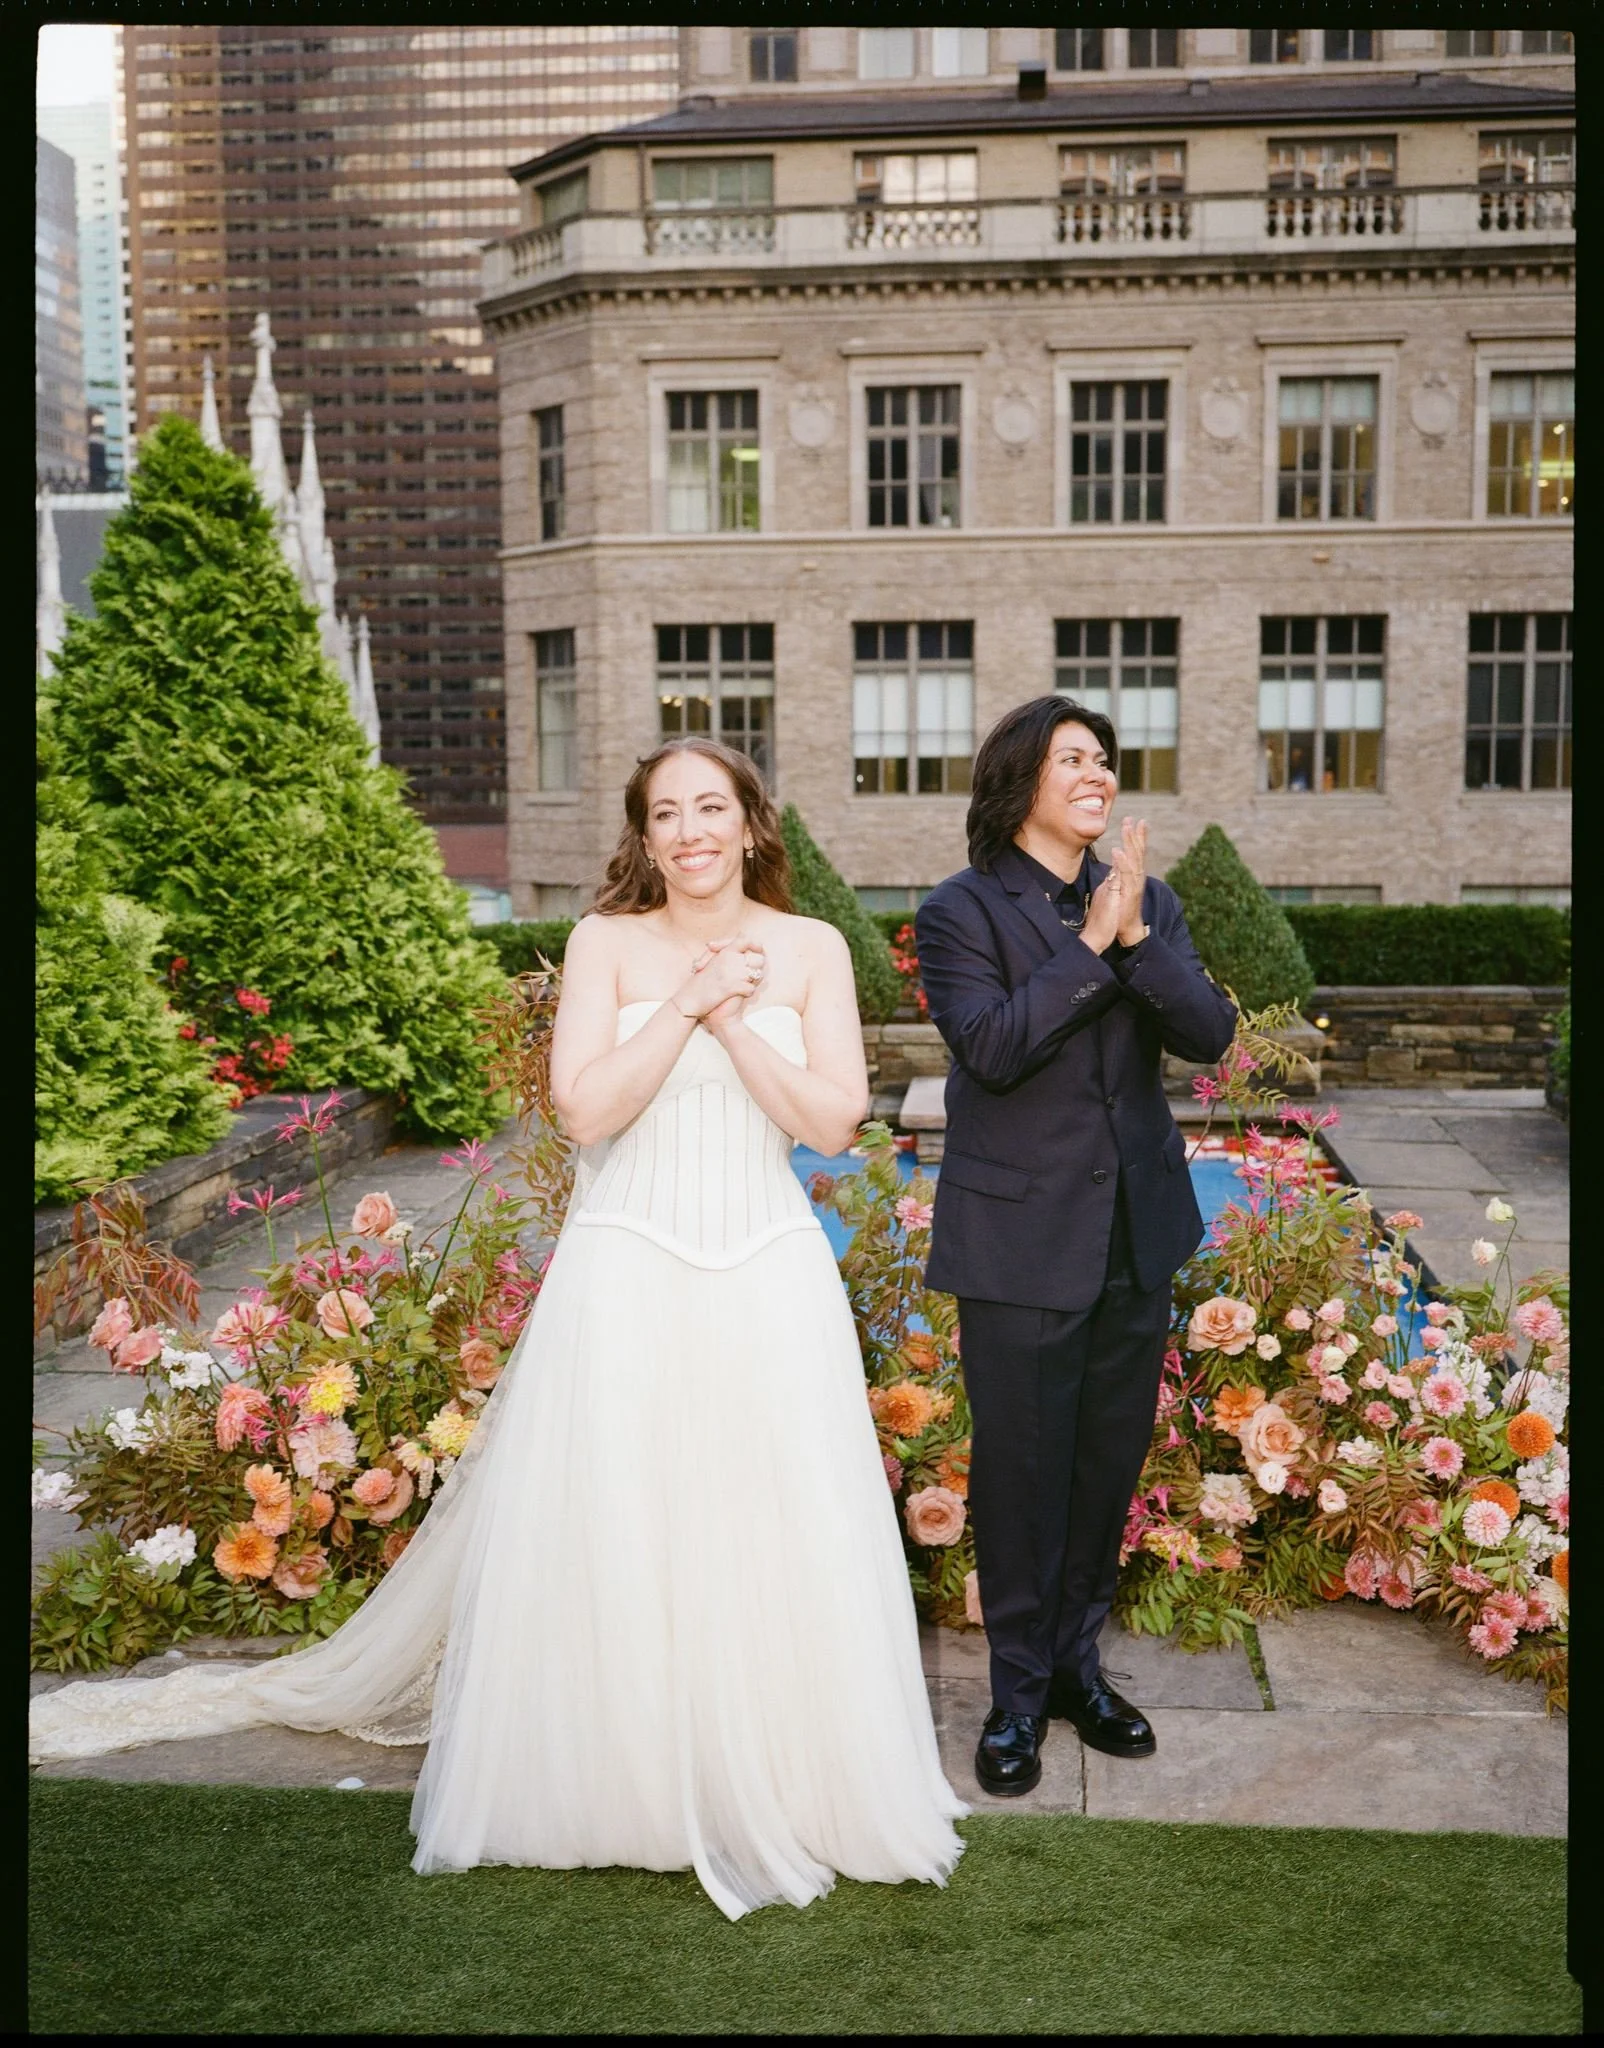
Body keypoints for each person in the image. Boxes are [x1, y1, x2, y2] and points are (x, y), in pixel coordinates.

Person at [30, 736, 966, 1921]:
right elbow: (584, 1108)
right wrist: (684, 1000)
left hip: (767, 1266)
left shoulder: (812, 947)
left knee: (769, 1509)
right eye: (665, 812)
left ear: (749, 822)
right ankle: (614, 1787)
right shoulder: (603, 943)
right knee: (620, 1518)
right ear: (642, 834)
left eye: (710, 808)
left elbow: (832, 1120)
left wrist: (735, 1022)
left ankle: (794, 1776)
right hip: (625, 1262)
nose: (689, 831)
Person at [914, 698, 1237, 1796]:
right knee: (1020, 1474)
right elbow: (991, 1048)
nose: (1096, 772)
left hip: (1130, 1237)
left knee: (1102, 1468)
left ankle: (1073, 1672)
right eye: (1071, 759)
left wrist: (1136, 931)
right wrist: (1091, 941)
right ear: (1020, 780)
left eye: (1102, 757)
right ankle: (1012, 1698)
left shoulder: (1152, 901)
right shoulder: (958, 908)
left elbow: (1206, 1035)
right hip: (1016, 1242)